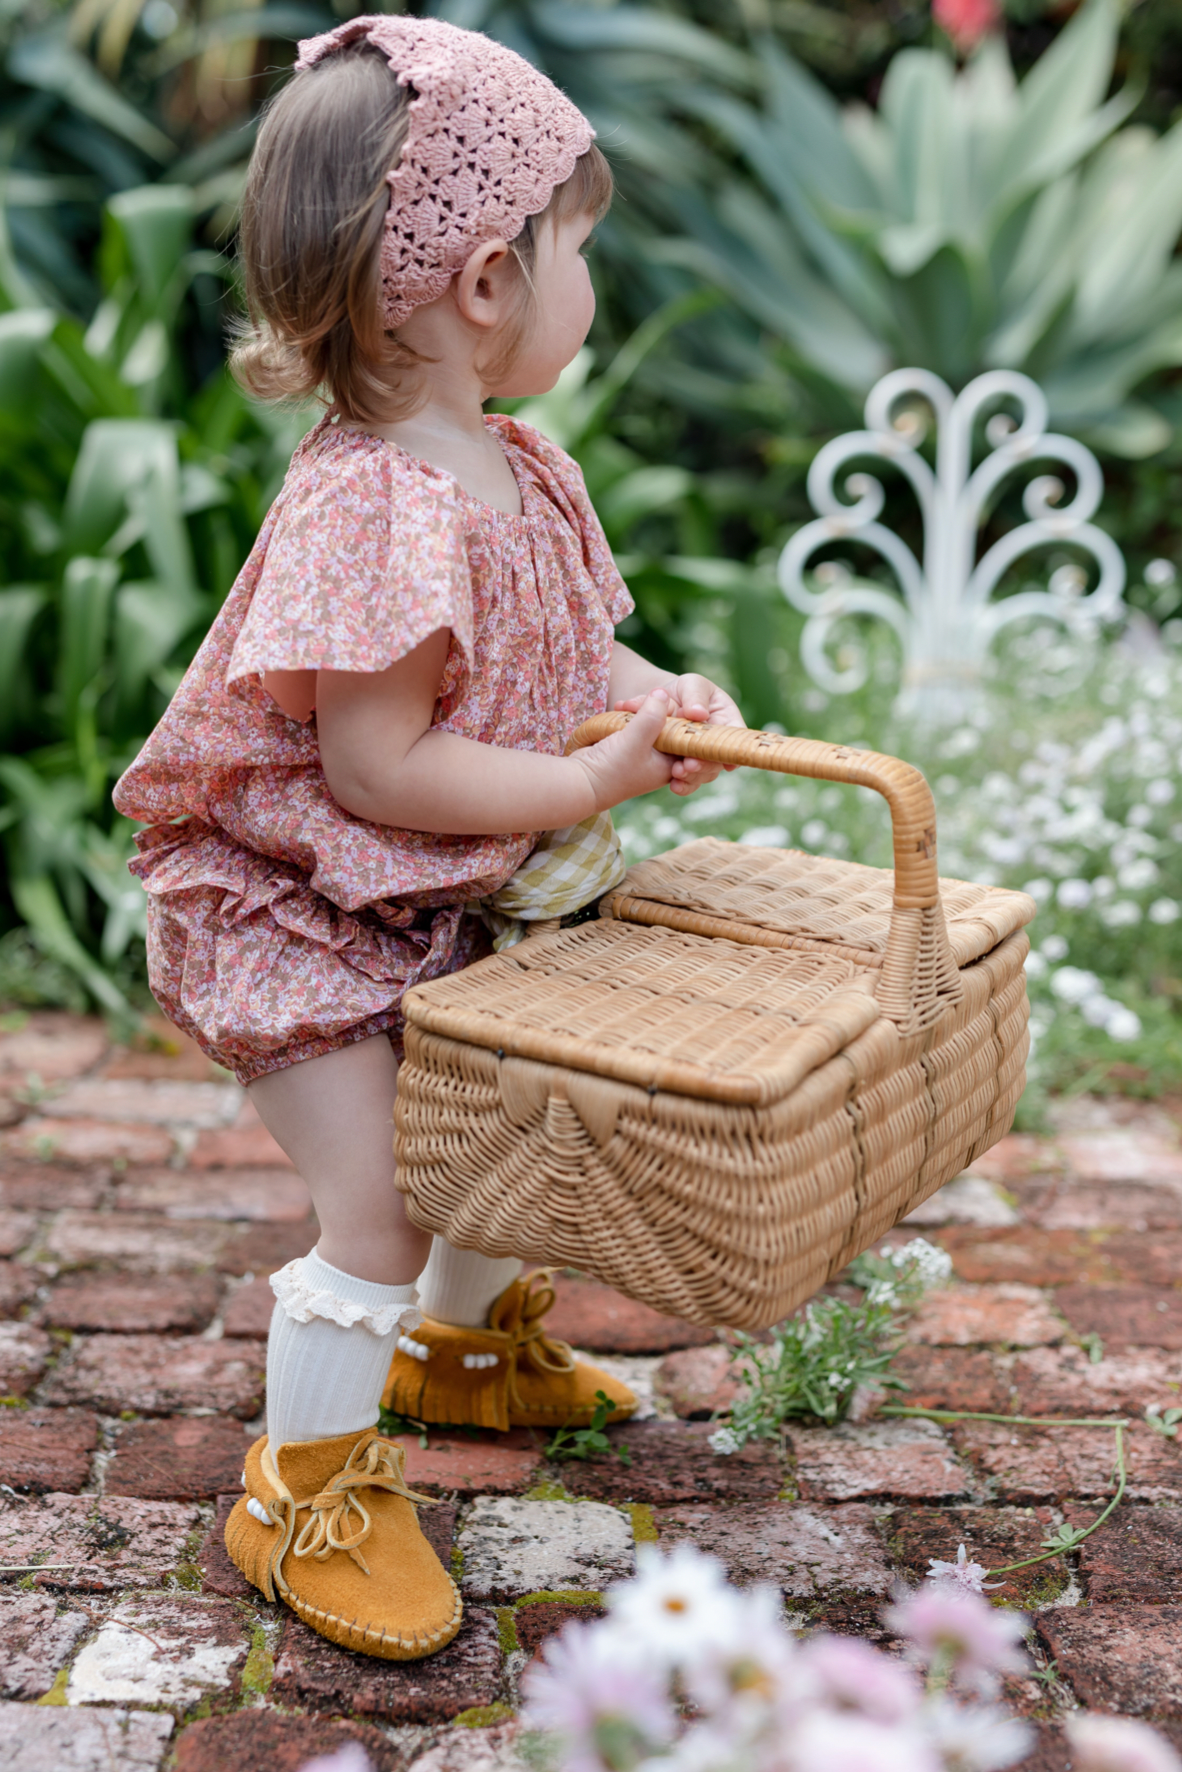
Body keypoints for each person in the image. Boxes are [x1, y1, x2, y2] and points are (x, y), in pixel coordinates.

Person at [113, 14, 742, 1661]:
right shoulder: (372, 501)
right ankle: (302, 1487)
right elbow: (383, 766)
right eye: (576, 253)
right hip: (292, 908)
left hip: (413, 895)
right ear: (482, 284)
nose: (586, 286)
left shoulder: (514, 469)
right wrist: (593, 790)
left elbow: (566, 648)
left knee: (497, 1114)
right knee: (384, 1195)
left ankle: (454, 1358)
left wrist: (650, 693)